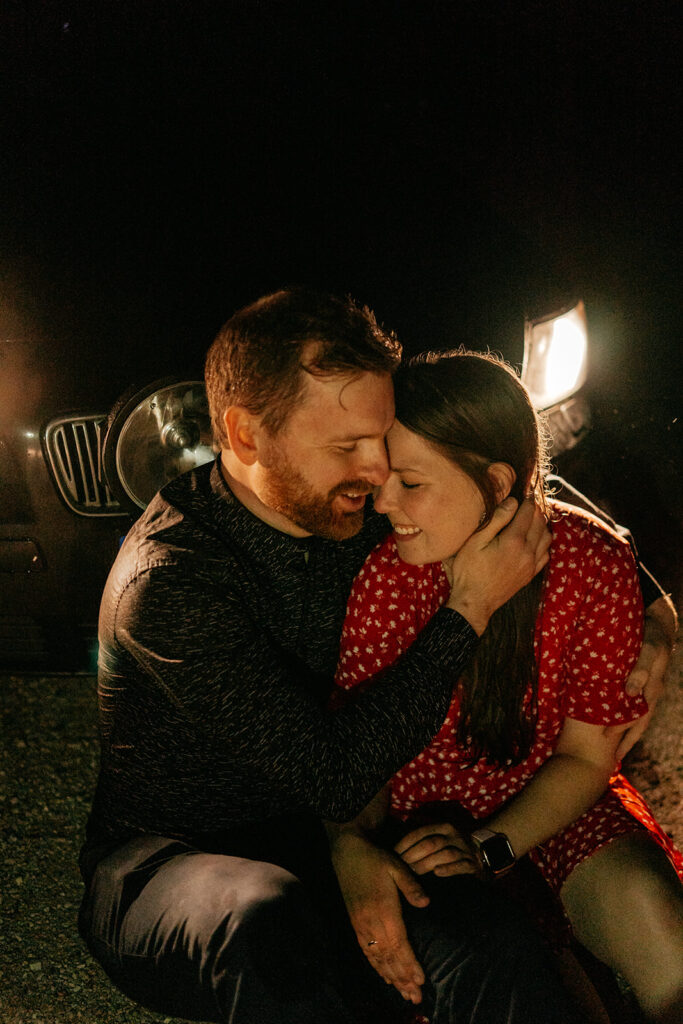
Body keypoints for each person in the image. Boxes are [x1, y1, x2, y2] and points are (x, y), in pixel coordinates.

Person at [78, 287, 589, 1024]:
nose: (378, 470)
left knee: (492, 943)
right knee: (267, 925)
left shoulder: (353, 503)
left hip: (330, 839)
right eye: (345, 446)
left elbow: (505, 497)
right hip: (171, 866)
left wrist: (654, 609)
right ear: (245, 436)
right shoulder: (171, 583)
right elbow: (335, 774)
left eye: (379, 437)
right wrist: (468, 610)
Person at [330, 349, 683, 1024]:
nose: (382, 503)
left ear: (495, 484)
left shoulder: (591, 565)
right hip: (418, 829)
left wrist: (491, 846)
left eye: (409, 482)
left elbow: (585, 759)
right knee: (523, 982)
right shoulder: (387, 579)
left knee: (655, 916)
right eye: (381, 479)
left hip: (550, 803)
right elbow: (358, 752)